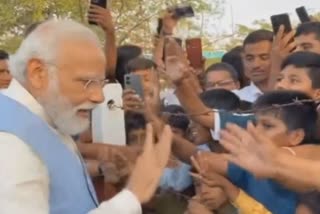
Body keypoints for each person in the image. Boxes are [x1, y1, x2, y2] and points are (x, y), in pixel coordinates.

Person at [0, 19, 173, 214]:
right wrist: (132, 196)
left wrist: (104, 169)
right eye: (87, 81)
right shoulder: (9, 142)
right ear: (38, 73)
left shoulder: (46, 115)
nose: (99, 97)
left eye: (101, 82)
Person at [196, 90, 319, 214]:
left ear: (296, 136)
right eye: (255, 124)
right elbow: (197, 157)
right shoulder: (252, 165)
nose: (256, 131)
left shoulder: (307, 182)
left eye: (267, 126)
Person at [234, 30, 274, 102]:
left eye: (264, 57)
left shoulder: (295, 96)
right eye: (249, 58)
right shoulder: (235, 100)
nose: (255, 65)